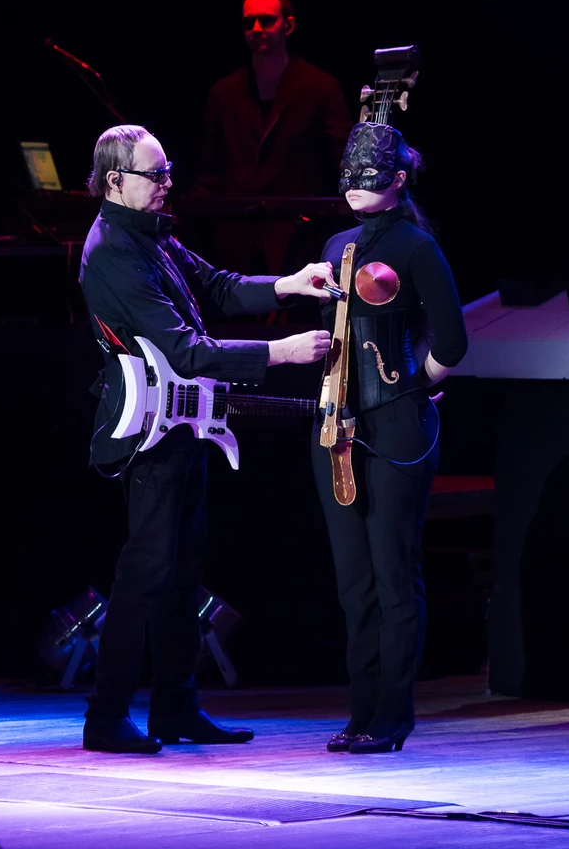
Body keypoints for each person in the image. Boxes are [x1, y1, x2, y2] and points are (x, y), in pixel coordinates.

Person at [78, 124, 336, 753]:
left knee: (183, 566)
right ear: (115, 181)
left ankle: (175, 705)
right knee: (146, 570)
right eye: (156, 174)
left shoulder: (149, 236)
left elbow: (217, 285)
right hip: (150, 429)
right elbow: (185, 350)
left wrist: (290, 284)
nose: (168, 183)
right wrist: (281, 352)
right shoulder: (113, 250)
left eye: (168, 171)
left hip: (181, 419)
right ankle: (106, 714)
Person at [310, 122, 467, 754]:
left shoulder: (417, 247)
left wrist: (414, 385)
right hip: (336, 424)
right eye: (348, 173)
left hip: (397, 424)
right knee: (354, 581)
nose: (353, 185)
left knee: (393, 572)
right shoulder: (336, 244)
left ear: (399, 180)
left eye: (369, 175)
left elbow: (452, 340)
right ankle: (361, 711)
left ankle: (392, 716)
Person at [195, 0, 353, 274]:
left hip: (301, 237)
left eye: (267, 20)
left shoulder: (320, 87)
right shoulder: (223, 93)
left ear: (288, 26)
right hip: (236, 240)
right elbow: (210, 169)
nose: (256, 29)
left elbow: (342, 158)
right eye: (249, 22)